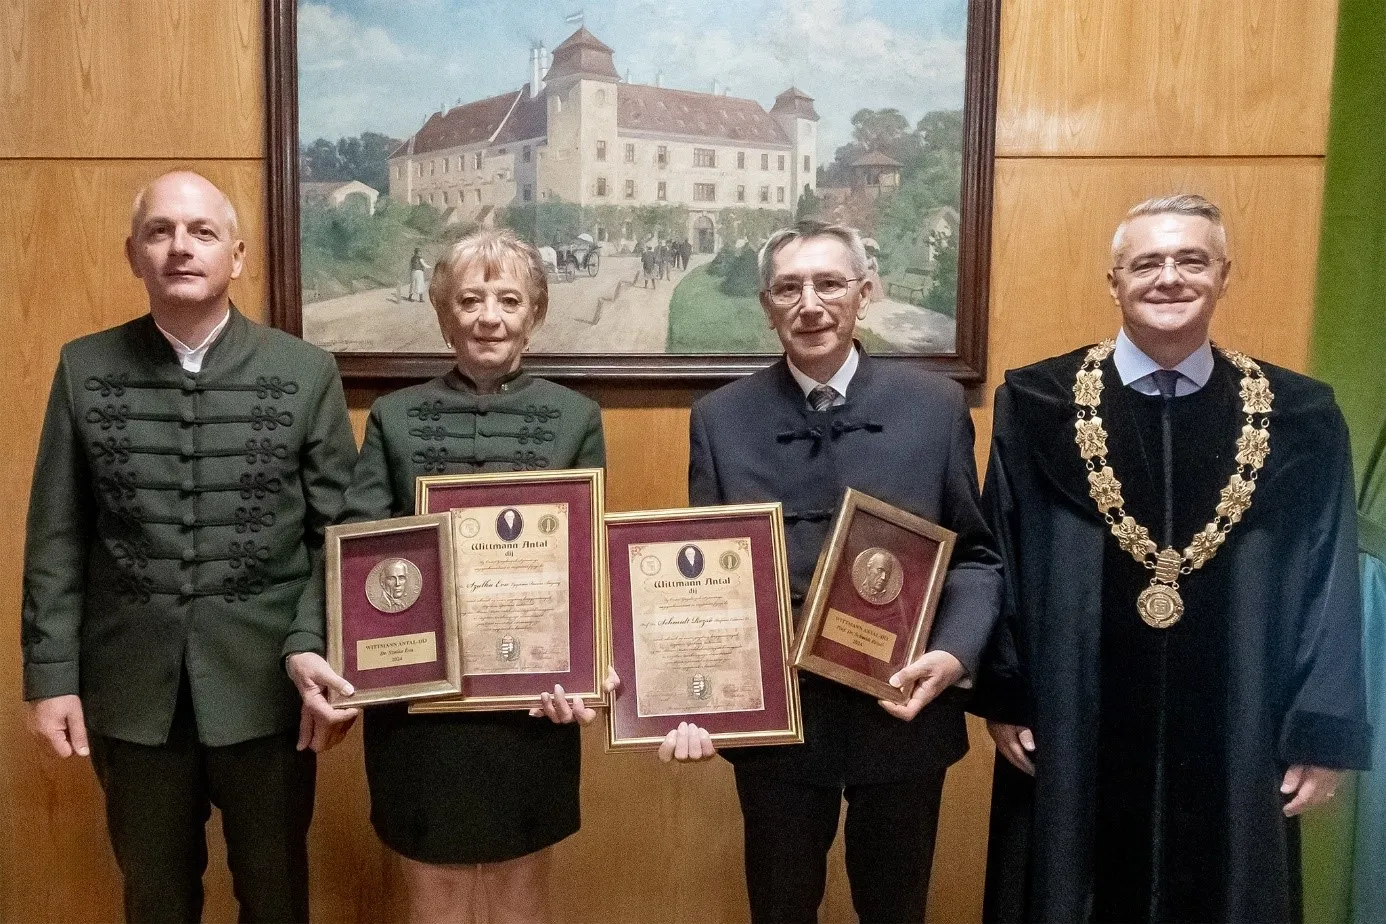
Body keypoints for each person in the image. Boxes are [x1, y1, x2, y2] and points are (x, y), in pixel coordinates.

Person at [973, 194, 1372, 923]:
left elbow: (1329, 581)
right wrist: (1006, 692)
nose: (1169, 278)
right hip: (1073, 721)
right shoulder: (1036, 405)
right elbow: (1000, 555)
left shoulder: (1301, 418)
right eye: (1146, 262)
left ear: (1224, 275)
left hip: (1242, 728)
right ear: (1114, 279)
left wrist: (1322, 727)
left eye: (1192, 260)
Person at [21, 170, 359, 922]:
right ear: (133, 254)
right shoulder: (85, 368)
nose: (181, 248)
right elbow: (56, 534)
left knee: (275, 896)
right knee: (155, 898)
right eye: (160, 232)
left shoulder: (305, 373)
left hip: (271, 689)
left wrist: (318, 645)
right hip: (132, 692)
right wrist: (51, 677)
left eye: (202, 232)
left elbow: (338, 535)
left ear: (236, 256)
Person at [678, 219, 1003, 923]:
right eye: (789, 288)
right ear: (766, 305)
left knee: (896, 907)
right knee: (781, 906)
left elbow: (978, 556)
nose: (811, 304)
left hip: (903, 709)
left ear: (865, 292)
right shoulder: (718, 419)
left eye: (829, 284)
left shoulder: (936, 406)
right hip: (780, 724)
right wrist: (690, 697)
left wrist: (952, 654)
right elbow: (702, 586)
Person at [341, 228, 606, 923]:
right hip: (418, 701)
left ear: (535, 312)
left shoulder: (576, 417)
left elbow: (587, 556)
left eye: (509, 299)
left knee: (521, 895)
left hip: (531, 701)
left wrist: (586, 667)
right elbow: (360, 548)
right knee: (435, 898)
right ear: (443, 312)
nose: (489, 316)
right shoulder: (393, 418)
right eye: (470, 299)